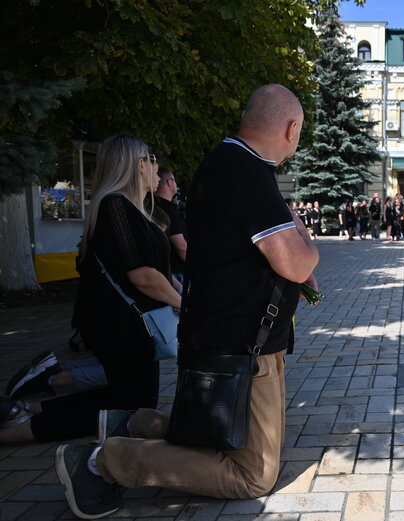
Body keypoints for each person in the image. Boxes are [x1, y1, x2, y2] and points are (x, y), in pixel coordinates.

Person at [56, 84, 319, 519]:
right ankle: (102, 463)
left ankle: (134, 425)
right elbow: (294, 262)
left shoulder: (227, 162)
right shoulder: (245, 170)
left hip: (231, 338)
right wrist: (305, 237)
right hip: (241, 345)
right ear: (291, 129)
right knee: (253, 473)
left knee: (228, 432)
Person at [0, 135, 181, 446]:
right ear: (139, 165)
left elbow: (158, 271)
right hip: (119, 325)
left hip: (130, 324)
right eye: (152, 160)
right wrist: (185, 304)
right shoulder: (116, 207)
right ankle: (18, 431)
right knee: (132, 405)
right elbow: (142, 275)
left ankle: (28, 410)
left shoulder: (130, 209)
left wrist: (182, 295)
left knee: (125, 397)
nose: (157, 168)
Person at [154, 168, 187, 283]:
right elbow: (181, 247)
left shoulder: (155, 206)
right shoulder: (167, 210)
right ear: (169, 182)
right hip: (176, 274)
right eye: (174, 180)